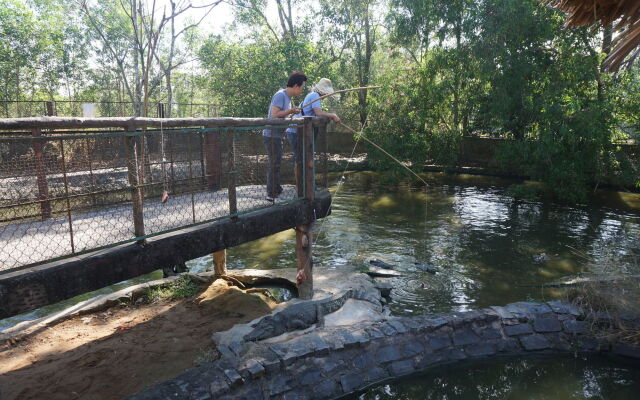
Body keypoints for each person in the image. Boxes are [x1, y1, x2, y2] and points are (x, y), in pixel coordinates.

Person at [263, 71, 307, 200]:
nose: (302, 90)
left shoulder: (288, 98)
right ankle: (271, 194)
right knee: (274, 164)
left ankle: (277, 189)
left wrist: (291, 113)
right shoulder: (280, 95)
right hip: (271, 135)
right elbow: (275, 114)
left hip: (277, 135)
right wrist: (291, 111)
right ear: (295, 86)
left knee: (277, 163)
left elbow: (282, 115)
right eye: (302, 87)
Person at [286, 78, 341, 166]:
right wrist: (333, 115)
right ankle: (302, 179)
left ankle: (306, 179)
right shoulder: (315, 95)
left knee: (305, 159)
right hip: (295, 131)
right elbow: (318, 113)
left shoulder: (314, 95)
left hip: (300, 131)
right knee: (301, 160)